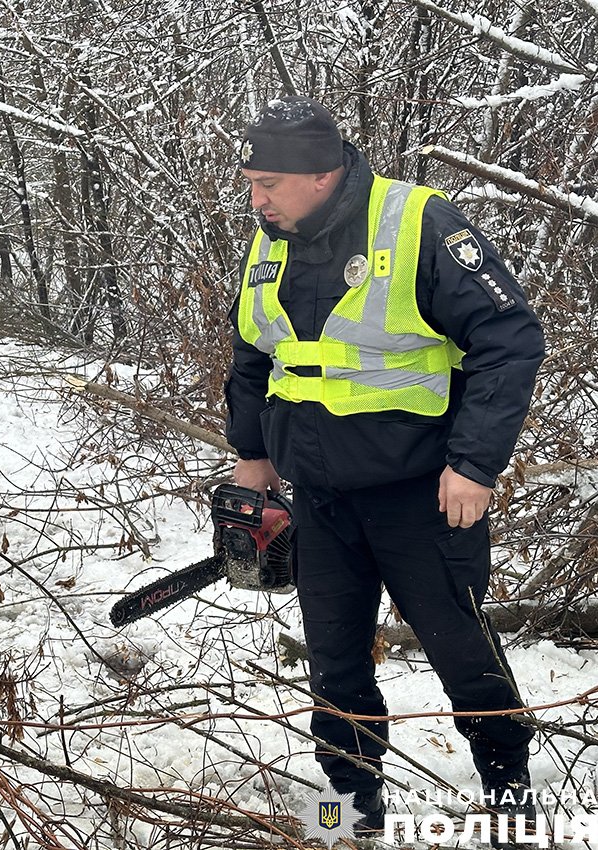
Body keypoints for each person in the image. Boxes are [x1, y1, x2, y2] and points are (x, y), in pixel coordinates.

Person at [224, 97, 545, 836]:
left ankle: (509, 794)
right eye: (250, 181)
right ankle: (345, 812)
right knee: (335, 666)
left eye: (268, 181)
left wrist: (475, 464)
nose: (256, 198)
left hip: (423, 493)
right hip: (319, 497)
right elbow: (251, 354)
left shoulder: (418, 223)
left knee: (461, 649)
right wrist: (252, 453)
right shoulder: (269, 240)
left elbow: (511, 338)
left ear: (323, 174)